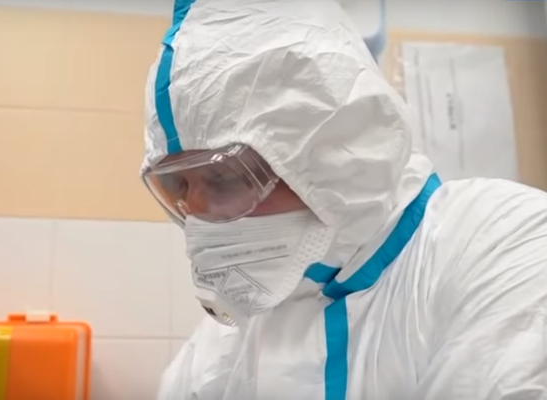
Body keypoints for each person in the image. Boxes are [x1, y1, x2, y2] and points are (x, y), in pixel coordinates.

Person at [141, 0, 547, 399]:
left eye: (225, 177)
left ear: (327, 150)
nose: (198, 220)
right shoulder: (223, 343)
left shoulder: (503, 243)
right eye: (178, 186)